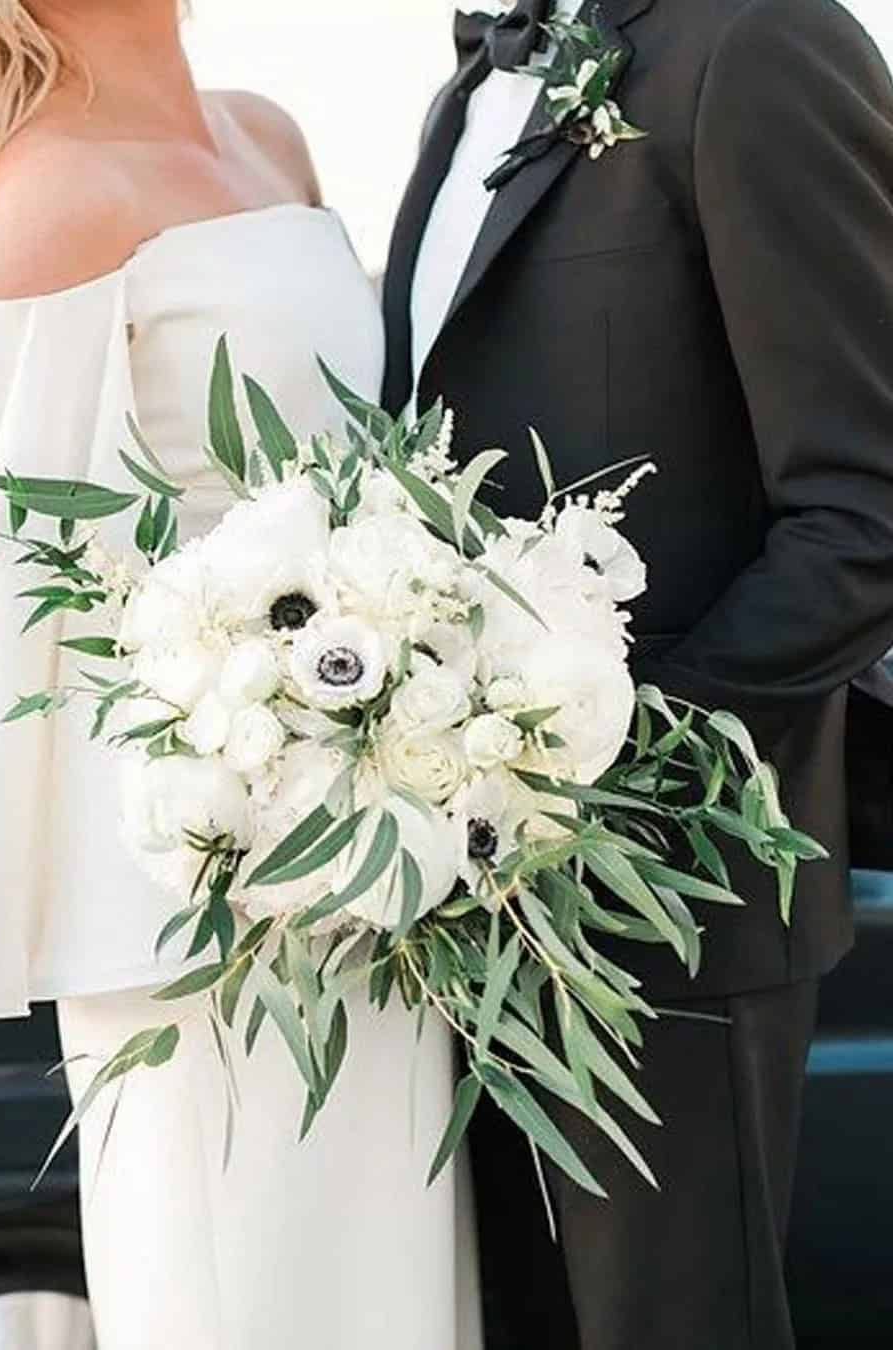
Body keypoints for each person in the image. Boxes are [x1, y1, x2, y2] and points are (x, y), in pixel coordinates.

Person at [0, 3, 483, 1347]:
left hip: (388, 878)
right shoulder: (38, 204)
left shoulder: (269, 138)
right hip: (205, 933)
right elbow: (1, 612)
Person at [382, 0, 893, 1346]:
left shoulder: (766, 42)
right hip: (458, 900)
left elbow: (867, 509)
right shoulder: (470, 90)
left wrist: (606, 782)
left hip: (672, 908)